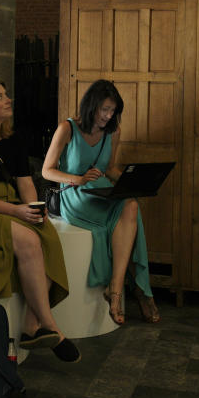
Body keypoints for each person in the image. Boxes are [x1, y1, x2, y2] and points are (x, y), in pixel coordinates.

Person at [0, 76, 80, 363]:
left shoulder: (14, 139)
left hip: (11, 205)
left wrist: (34, 208)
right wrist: (17, 212)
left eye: (5, 94)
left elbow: (25, 184)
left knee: (46, 235)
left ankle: (31, 326)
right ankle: (52, 327)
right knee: (29, 239)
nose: (7, 99)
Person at [42, 79, 160, 325]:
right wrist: (78, 178)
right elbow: (47, 171)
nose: (109, 115)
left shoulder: (113, 131)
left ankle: (115, 289)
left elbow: (108, 168)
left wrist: (132, 181)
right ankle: (139, 290)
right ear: (91, 106)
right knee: (129, 215)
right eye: (104, 109)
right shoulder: (68, 128)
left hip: (101, 190)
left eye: (113, 110)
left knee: (131, 204)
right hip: (73, 193)